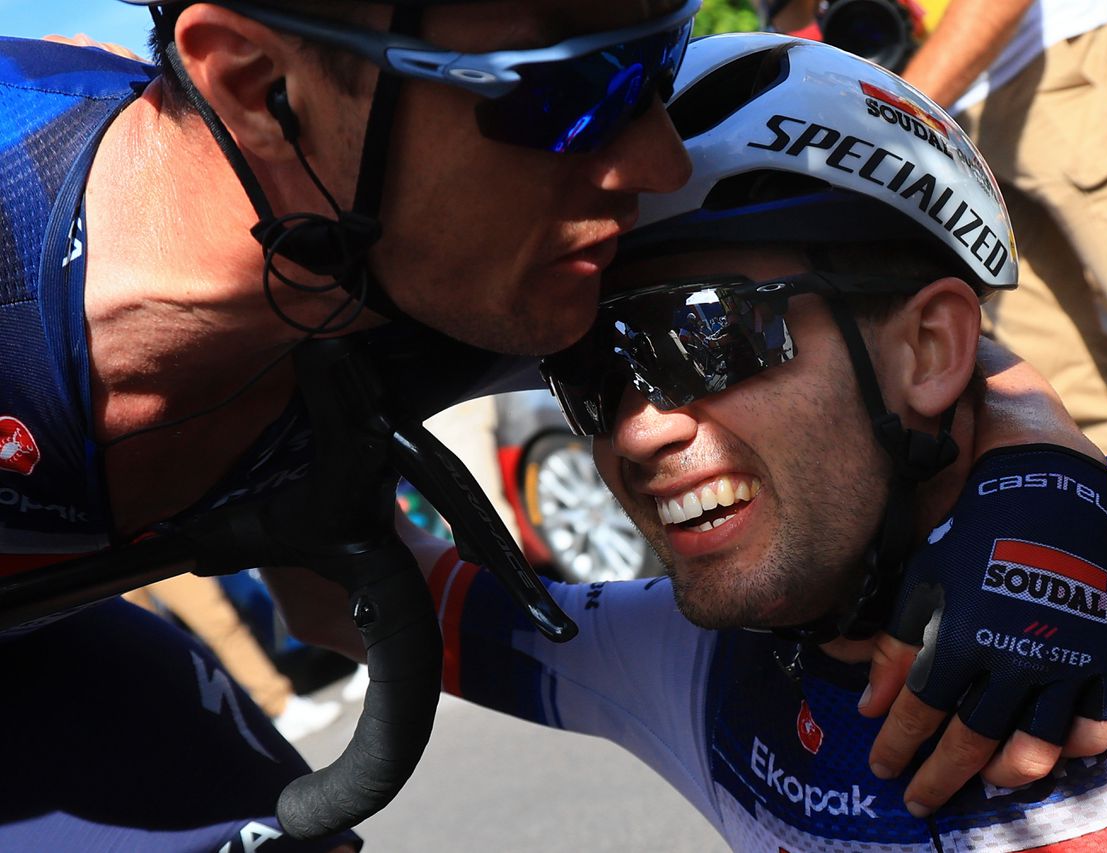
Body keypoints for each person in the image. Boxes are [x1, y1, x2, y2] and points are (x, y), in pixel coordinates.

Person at [409, 34, 1107, 849]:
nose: (637, 429)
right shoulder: (694, 667)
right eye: (591, 375)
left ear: (931, 347)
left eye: (707, 335)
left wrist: (1032, 439)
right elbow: (345, 588)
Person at [0, 0, 696, 849]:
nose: (663, 162)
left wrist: (883, 601)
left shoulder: (462, 255)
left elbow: (330, 601)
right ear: (262, 90)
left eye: (662, 63)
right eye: (575, 91)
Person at [767, 0, 1107, 454]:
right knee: (1065, 382)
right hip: (938, 123)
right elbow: (793, 19)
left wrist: (886, 115)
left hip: (1043, 64)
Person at [123, 573, 344, 742]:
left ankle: (281, 703)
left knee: (219, 620)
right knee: (143, 650)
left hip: (149, 536)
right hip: (103, 554)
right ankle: (180, 734)